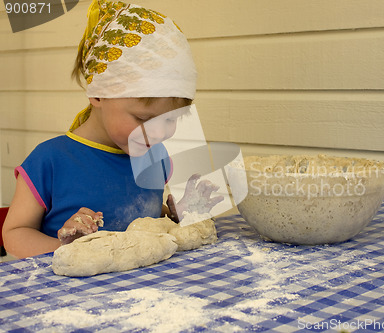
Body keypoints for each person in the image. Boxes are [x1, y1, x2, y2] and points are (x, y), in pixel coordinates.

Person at [2, 0, 222, 259]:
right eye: (144, 118)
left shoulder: (157, 157)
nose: (159, 133)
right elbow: (14, 233)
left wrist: (172, 215)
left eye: (171, 119)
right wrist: (67, 250)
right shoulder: (50, 160)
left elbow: (139, 217)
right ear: (97, 95)